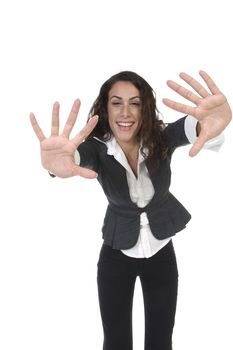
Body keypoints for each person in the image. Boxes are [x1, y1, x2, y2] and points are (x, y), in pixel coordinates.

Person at [30, 70, 232, 350]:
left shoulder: (160, 137)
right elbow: (77, 156)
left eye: (135, 103)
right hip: (116, 254)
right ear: (105, 108)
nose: (126, 112)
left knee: (161, 341)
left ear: (145, 108)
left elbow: (193, 127)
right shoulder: (97, 149)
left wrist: (212, 123)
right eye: (116, 102)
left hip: (161, 251)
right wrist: (58, 163)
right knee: (116, 341)